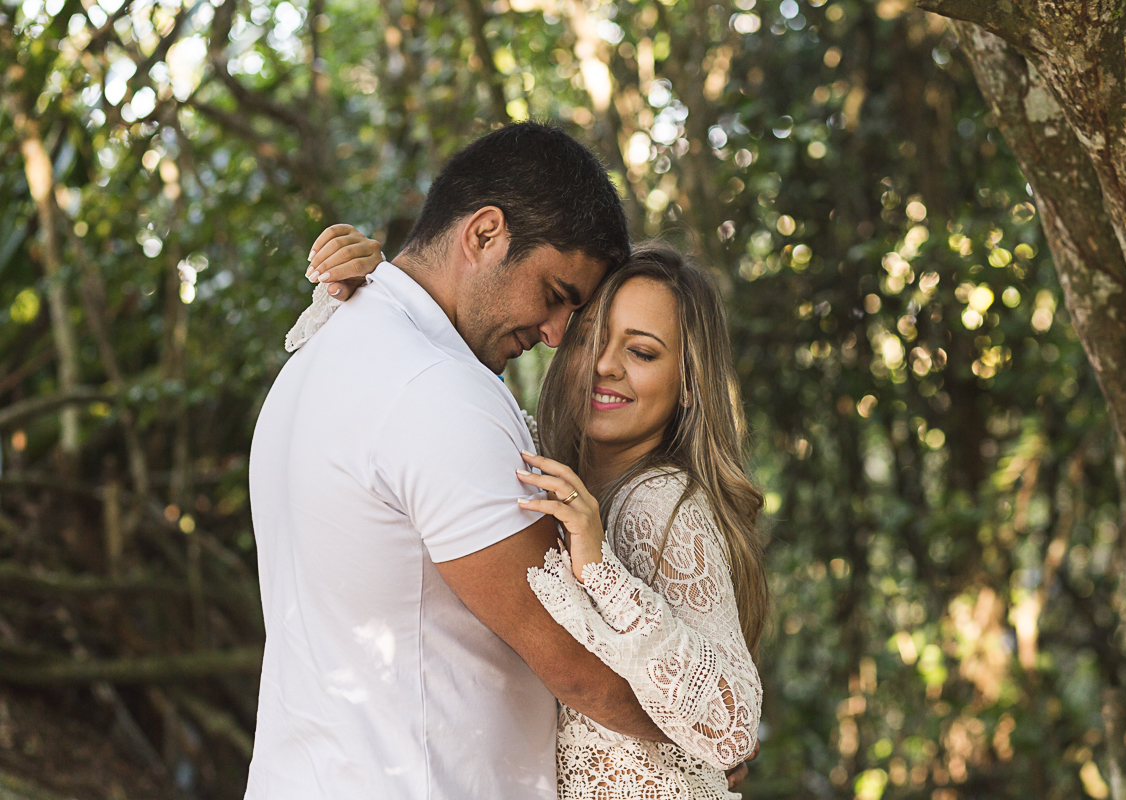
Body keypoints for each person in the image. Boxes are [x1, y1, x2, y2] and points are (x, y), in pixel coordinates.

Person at [246, 121, 664, 800]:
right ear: (484, 233)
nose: (557, 336)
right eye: (556, 294)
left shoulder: (326, 348)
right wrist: (701, 733)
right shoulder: (437, 389)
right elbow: (572, 661)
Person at [302, 237, 767, 798]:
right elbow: (443, 400)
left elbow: (732, 728)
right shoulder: (545, 466)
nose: (605, 365)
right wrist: (375, 285)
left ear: (690, 383)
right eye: (592, 337)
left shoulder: (662, 504)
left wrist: (600, 569)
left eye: (641, 353)